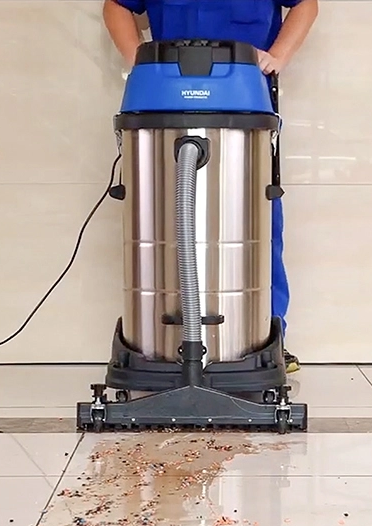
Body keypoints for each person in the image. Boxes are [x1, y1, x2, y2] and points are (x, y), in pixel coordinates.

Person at [103, 0, 318, 373]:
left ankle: (266, 340)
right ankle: (158, 341)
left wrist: (277, 57)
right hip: (165, 102)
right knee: (162, 221)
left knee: (257, 222)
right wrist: (140, 60)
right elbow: (116, 6)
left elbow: (307, 5)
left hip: (243, 102)